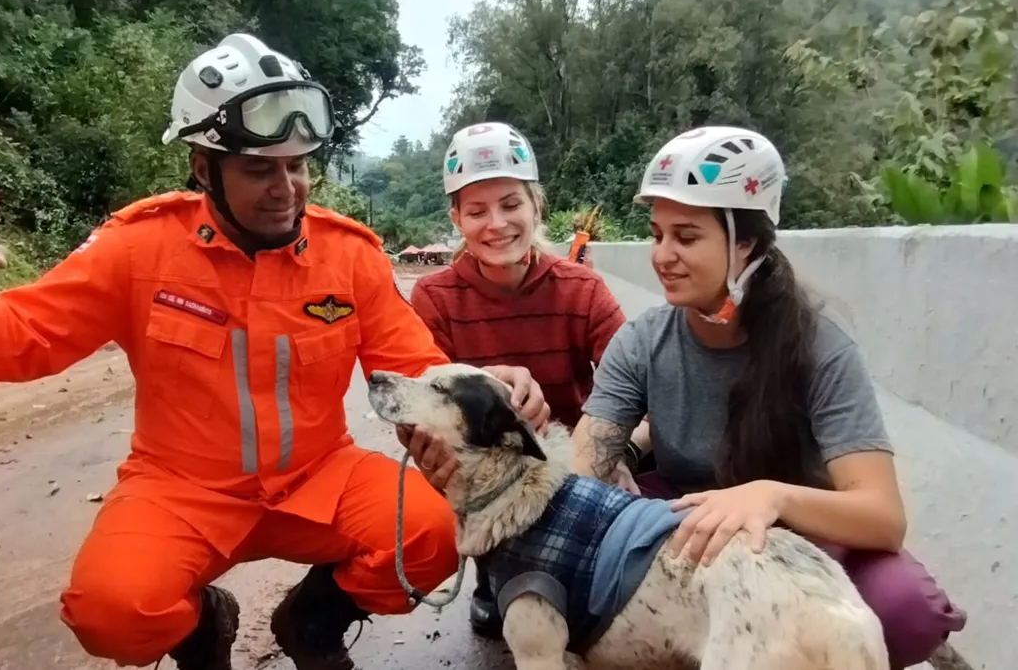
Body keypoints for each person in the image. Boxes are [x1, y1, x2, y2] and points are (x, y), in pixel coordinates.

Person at [0, 33, 548, 670]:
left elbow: (415, 368)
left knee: (433, 532)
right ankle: (205, 624)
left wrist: (485, 394)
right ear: (204, 167)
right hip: (182, 488)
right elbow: (28, 331)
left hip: (318, 477)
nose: (287, 188)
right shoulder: (139, 248)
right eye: (259, 168)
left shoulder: (349, 254)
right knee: (111, 611)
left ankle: (312, 622)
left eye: (297, 165)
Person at [405, 125, 968, 669]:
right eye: (657, 235)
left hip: (805, 529)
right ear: (456, 217)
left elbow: (881, 516)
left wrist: (770, 497)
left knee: (905, 612)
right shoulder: (644, 342)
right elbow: (583, 467)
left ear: (745, 242)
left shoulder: (820, 348)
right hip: (680, 518)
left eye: (688, 237)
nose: (663, 255)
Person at [406, 121, 629, 640]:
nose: (496, 223)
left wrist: (612, 450)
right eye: (477, 211)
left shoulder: (583, 290)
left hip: (572, 461)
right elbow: (423, 405)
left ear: (536, 207)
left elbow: (631, 383)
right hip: (484, 472)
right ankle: (494, 573)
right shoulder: (435, 299)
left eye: (510, 204)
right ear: (456, 218)